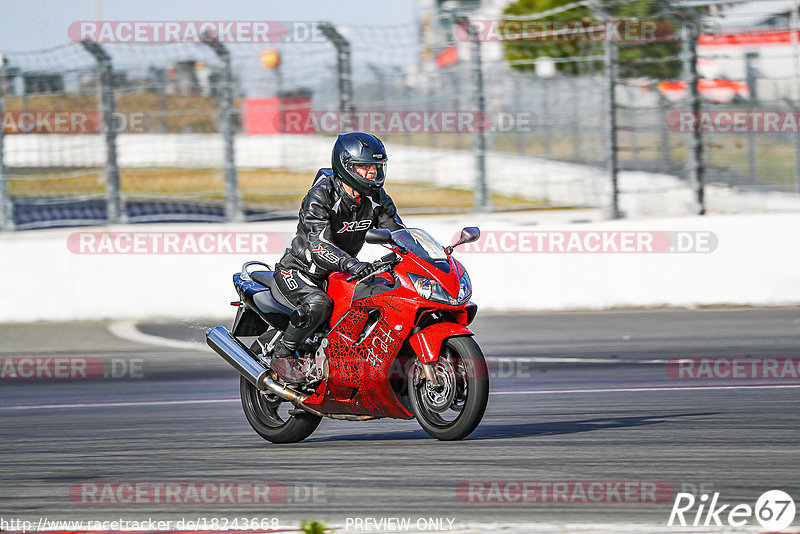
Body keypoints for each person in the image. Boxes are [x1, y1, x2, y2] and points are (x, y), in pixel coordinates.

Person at [270, 132, 405, 383]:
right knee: (318, 304)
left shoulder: (377, 198)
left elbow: (399, 233)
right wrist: (352, 264)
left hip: (338, 273)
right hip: (300, 271)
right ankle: (283, 356)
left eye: (376, 166)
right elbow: (319, 245)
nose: (372, 173)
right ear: (345, 165)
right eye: (364, 167)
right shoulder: (320, 196)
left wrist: (425, 254)